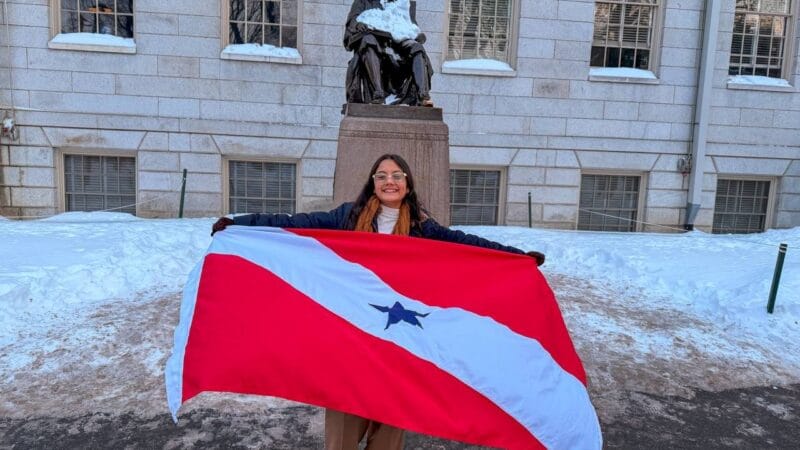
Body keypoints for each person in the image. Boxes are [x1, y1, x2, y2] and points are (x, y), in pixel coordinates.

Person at [211, 154, 544, 450]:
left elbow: (468, 246)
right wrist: (242, 224)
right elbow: (297, 223)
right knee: (343, 421)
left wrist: (515, 258)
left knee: (391, 423)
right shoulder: (347, 218)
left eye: (397, 175)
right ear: (372, 183)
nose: (389, 181)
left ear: (408, 184)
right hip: (351, 337)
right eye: (382, 175)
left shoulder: (421, 227)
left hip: (401, 341)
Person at [342, 0, 434, 107]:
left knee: (417, 48)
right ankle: (378, 93)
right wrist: (358, 24)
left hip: (398, 44)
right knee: (368, 40)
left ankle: (423, 95)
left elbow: (411, 24)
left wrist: (418, 34)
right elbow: (352, 21)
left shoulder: (405, 3)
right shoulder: (363, 1)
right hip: (376, 42)